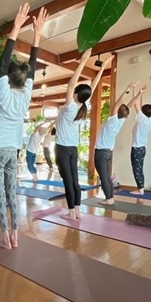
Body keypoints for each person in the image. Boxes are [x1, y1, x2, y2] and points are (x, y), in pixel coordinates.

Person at [0, 3, 48, 249]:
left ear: (7, 78)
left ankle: (5, 238)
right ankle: (15, 236)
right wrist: (37, 34)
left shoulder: (3, 90)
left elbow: (3, 63)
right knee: (12, 194)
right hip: (13, 151)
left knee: (0, 195)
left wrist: (16, 27)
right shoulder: (26, 94)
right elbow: (30, 67)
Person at [55, 48, 94, 220]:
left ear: (76, 95)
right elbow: (91, 88)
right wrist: (101, 68)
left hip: (63, 149)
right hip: (73, 149)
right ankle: (77, 211)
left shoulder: (71, 107)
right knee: (75, 181)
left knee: (68, 181)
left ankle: (71, 213)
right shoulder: (84, 108)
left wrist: (83, 61)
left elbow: (71, 85)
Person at [94, 79, 137, 205]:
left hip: (101, 152)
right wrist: (138, 94)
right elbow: (129, 106)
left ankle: (109, 199)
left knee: (104, 177)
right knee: (107, 176)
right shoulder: (121, 121)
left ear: (117, 112)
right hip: (108, 152)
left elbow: (118, 104)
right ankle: (110, 197)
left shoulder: (113, 121)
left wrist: (128, 89)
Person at [129, 82, 151, 195]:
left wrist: (136, 91)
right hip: (142, 148)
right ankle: (141, 188)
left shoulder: (143, 119)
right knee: (139, 169)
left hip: (137, 148)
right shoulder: (147, 119)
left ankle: (140, 190)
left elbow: (135, 104)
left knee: (136, 169)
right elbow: (141, 106)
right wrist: (142, 94)